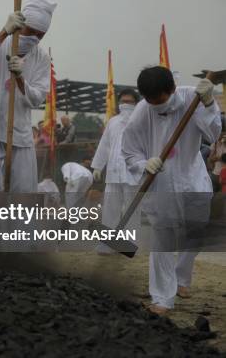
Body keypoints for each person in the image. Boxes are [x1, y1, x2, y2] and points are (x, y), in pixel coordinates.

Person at [121, 66, 220, 315]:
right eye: (150, 101)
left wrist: (209, 104)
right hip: (162, 183)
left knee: (195, 233)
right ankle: (162, 298)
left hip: (192, 179)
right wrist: (144, 163)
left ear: (172, 90)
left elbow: (213, 133)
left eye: (160, 100)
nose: (156, 106)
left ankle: (182, 278)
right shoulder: (142, 113)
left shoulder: (192, 99)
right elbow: (130, 151)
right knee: (163, 237)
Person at [0, 0, 57, 194]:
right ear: (19, 26)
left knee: (24, 193)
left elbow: (37, 98)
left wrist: (20, 78)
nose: (34, 38)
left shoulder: (41, 58)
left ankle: (14, 227)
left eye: (40, 35)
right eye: (30, 31)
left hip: (20, 131)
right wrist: (2, 33)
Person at [91, 88, 142, 254]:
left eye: (129, 102)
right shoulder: (113, 122)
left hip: (132, 173)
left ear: (136, 103)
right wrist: (98, 166)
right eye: (123, 102)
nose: (125, 105)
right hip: (113, 172)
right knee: (110, 209)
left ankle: (129, 242)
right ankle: (107, 243)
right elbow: (104, 145)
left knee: (131, 210)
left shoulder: (141, 121)